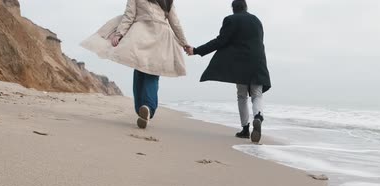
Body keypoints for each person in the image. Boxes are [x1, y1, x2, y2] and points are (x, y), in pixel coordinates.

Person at [81, 0, 189, 129]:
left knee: (139, 71)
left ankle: (140, 109)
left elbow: (129, 15)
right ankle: (148, 107)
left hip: (141, 32)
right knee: (152, 74)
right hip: (161, 35)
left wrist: (119, 33)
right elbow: (175, 23)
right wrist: (184, 43)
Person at [186, 0, 271, 143]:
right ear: (246, 7)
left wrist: (196, 50)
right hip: (258, 60)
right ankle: (258, 116)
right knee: (257, 94)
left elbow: (220, 41)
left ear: (233, 9)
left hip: (241, 63)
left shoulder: (231, 19)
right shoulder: (257, 20)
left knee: (242, 95)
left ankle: (245, 129)